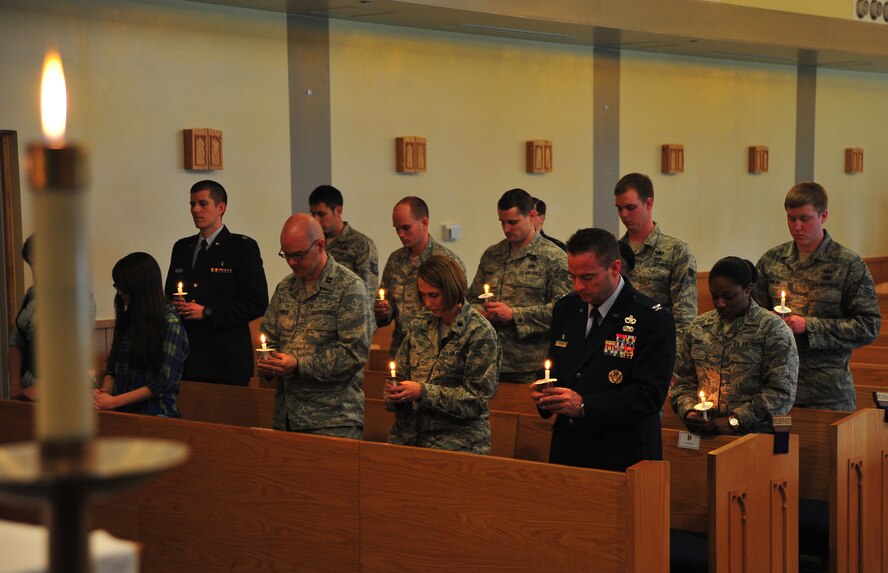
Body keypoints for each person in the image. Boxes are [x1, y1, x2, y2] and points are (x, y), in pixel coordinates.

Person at [531, 228, 676, 471]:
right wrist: (545, 392)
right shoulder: (566, 309)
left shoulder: (651, 318)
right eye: (572, 277)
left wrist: (584, 406)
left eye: (588, 277)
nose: (578, 286)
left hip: (623, 455)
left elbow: (649, 395)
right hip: (570, 449)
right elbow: (557, 366)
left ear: (615, 268)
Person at [752, 181, 881, 411]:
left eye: (805, 218)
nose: (797, 226)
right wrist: (770, 321)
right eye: (791, 219)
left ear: (823, 217)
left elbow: (868, 326)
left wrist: (809, 326)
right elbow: (752, 318)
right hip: (779, 390)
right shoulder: (771, 261)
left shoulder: (848, 264)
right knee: (782, 448)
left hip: (829, 393)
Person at [258, 213, 373, 438]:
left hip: (332, 420)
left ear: (320, 245)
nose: (291, 262)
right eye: (286, 255)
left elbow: (353, 354)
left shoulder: (349, 288)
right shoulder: (285, 288)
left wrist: (299, 365)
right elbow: (269, 336)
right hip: (287, 417)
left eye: (298, 255)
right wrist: (268, 360)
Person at [385, 255, 501, 454]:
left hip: (457, 442)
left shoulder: (479, 332)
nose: (428, 303)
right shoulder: (420, 324)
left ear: (451, 290)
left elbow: (476, 400)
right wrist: (395, 393)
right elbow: (400, 373)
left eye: (434, 295)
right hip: (409, 436)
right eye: (423, 295)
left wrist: (423, 392)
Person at [672, 257, 799, 435]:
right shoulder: (699, 327)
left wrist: (735, 420)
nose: (720, 303)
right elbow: (683, 381)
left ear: (748, 289)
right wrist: (689, 411)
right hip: (705, 433)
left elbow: (781, 393)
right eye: (714, 296)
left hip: (754, 436)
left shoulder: (773, 329)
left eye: (728, 296)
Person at [165, 180, 268, 387]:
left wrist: (208, 312)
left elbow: (257, 301)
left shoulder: (240, 247)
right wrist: (176, 303)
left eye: (203, 204)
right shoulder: (183, 247)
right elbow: (169, 291)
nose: (195, 210)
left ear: (221, 207)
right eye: (192, 204)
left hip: (225, 359)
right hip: (187, 355)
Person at [467, 188, 571, 383]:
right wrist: (480, 311)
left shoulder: (554, 258)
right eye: (502, 222)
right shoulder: (492, 255)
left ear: (532, 216)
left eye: (513, 222)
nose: (506, 229)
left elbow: (564, 312)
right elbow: (471, 299)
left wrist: (514, 315)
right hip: (487, 362)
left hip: (529, 367)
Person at [95, 253, 188, 416]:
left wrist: (114, 401)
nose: (119, 291)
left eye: (123, 286)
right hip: (122, 411)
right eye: (117, 285)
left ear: (140, 287)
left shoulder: (169, 323)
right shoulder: (129, 318)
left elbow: (164, 381)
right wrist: (103, 394)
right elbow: (113, 369)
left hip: (155, 414)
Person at [376, 196, 465, 356]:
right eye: (397, 229)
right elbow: (388, 304)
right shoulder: (395, 260)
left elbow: (460, 312)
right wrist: (384, 311)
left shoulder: (445, 262)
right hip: (402, 350)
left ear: (424, 223)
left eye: (406, 228)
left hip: (435, 352)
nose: (401, 234)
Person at [614, 172, 697, 334]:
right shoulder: (614, 251)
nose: (624, 215)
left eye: (630, 208)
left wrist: (670, 354)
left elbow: (685, 318)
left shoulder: (677, 252)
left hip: (657, 343)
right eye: (619, 208)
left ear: (648, 203)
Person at [309, 184, 379, 293]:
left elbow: (368, 292)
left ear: (338, 211)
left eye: (321, 214)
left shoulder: (361, 244)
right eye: (313, 214)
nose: (316, 220)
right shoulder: (313, 243)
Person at [8, 236, 37, 401]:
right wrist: (14, 384)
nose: (35, 270)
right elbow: (16, 340)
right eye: (31, 264)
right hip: (27, 386)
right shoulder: (31, 294)